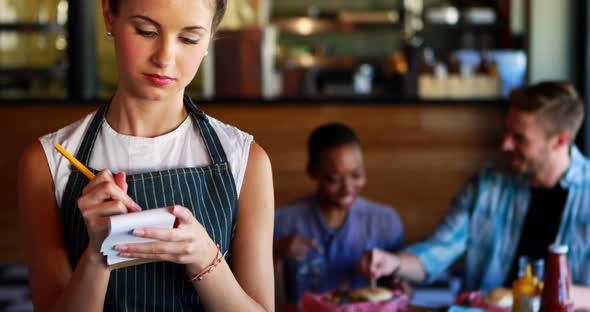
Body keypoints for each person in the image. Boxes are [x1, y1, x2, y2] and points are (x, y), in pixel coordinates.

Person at [17, 0, 274, 311]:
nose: (165, 57)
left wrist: (207, 260)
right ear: (109, 16)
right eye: (147, 31)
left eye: (189, 38)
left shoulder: (246, 161)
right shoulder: (46, 163)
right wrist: (98, 254)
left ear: (210, 37)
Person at [357, 81, 590, 308]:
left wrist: (563, 294)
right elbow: (437, 251)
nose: (505, 145)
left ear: (561, 140)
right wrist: (393, 262)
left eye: (519, 138)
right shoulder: (486, 186)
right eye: (506, 132)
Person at [273, 123, 404, 303]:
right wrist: (276, 253)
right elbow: (270, 302)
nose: (347, 189)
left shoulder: (385, 222)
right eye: (333, 179)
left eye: (356, 175)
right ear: (312, 171)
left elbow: (399, 290)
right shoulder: (282, 222)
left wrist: (402, 286)